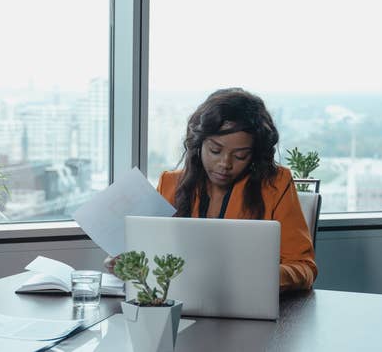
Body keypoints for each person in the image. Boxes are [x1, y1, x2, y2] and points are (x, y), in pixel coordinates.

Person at [107, 88, 317, 292]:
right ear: (198, 145)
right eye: (215, 151)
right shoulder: (170, 184)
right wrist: (128, 264)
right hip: (180, 308)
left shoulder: (276, 185)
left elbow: (304, 267)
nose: (225, 164)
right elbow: (150, 257)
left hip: (248, 307)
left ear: (254, 155)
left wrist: (262, 276)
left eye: (240, 156)